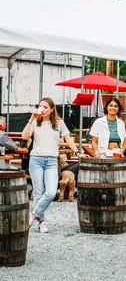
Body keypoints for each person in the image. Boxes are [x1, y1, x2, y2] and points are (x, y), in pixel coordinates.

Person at [22, 97, 88, 233]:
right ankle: (42, 223)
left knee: (51, 192)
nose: (42, 109)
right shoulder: (35, 122)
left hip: (52, 160)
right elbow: (24, 136)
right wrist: (31, 119)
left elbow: (68, 138)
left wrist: (77, 152)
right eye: (40, 106)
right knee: (39, 193)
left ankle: (33, 215)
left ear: (52, 109)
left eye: (45, 107)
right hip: (36, 159)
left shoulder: (59, 123)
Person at [89, 97, 126, 229]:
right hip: (103, 154)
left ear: (118, 109)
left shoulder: (121, 124)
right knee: (103, 185)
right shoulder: (99, 122)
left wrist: (122, 151)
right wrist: (97, 153)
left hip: (117, 154)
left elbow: (125, 141)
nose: (113, 108)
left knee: (123, 185)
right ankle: (99, 216)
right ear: (107, 107)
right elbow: (94, 140)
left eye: (115, 106)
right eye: (111, 106)